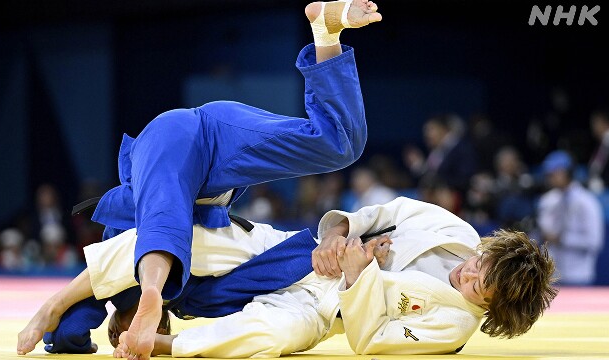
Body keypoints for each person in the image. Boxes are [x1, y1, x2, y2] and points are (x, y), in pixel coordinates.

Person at [17, 0, 379, 357]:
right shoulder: (198, 302)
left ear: (114, 328)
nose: (155, 331)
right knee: (339, 144)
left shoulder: (112, 276)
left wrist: (56, 313)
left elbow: (70, 322)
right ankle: (324, 30)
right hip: (219, 174)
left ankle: (149, 294)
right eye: (160, 329)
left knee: (160, 223)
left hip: (182, 139)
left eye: (127, 336)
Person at [79, 196, 557, 358]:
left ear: (494, 309)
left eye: (478, 285)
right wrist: (339, 236)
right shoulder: (456, 231)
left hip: (318, 309)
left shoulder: (452, 328)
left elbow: (370, 339)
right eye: (479, 262)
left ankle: (164, 345)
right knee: (201, 239)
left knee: (269, 335)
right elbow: (381, 212)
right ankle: (64, 300)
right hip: (305, 254)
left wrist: (358, 277)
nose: (466, 272)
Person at [536, 150, 605, 285]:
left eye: (555, 172)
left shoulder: (587, 202)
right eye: (549, 174)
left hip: (578, 275)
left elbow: (595, 241)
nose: (550, 177)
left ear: (567, 172)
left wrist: (561, 239)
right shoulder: (548, 200)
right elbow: (543, 233)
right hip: (552, 275)